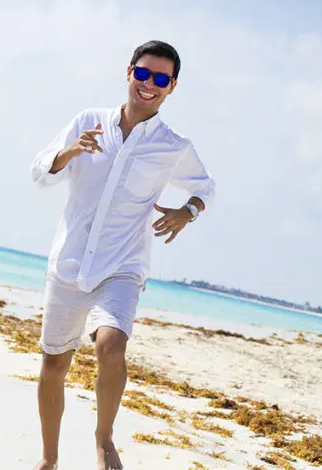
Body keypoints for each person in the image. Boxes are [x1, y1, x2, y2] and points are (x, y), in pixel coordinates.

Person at [28, 40, 216, 470]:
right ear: (129, 72)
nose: (149, 85)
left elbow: (205, 187)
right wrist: (69, 151)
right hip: (70, 261)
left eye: (161, 79)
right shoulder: (88, 121)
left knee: (111, 345)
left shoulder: (173, 145)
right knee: (54, 362)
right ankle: (49, 458)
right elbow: (39, 172)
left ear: (172, 88)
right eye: (144, 74)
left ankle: (103, 438)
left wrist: (188, 212)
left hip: (122, 265)